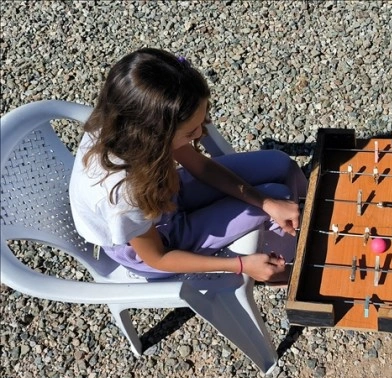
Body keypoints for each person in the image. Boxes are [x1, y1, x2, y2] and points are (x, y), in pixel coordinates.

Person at [69, 48, 308, 283]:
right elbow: (158, 258)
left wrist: (264, 201)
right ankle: (288, 267)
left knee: (280, 164)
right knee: (279, 195)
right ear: (155, 135)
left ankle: (309, 210)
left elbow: (201, 167)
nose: (201, 133)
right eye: (192, 131)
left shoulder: (137, 125)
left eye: (202, 121)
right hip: (159, 243)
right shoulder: (124, 194)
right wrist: (241, 265)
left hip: (163, 196)